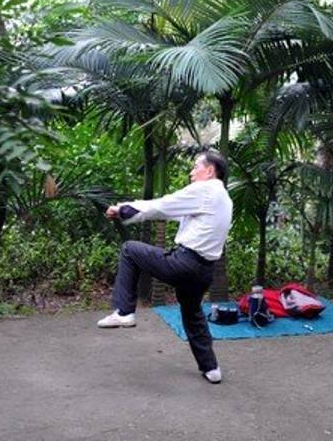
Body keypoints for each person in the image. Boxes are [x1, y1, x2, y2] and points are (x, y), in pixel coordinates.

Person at [98, 150, 233, 384]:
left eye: (196, 167)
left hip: (185, 264)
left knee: (130, 249)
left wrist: (122, 210)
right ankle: (211, 368)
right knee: (192, 312)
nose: (191, 172)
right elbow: (175, 212)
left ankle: (124, 312)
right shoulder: (224, 199)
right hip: (204, 272)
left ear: (210, 171)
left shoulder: (205, 190)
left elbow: (163, 205)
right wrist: (128, 208)